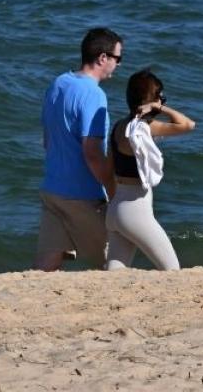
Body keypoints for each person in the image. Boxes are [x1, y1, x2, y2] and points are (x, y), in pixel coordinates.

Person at [34, 27, 123, 272]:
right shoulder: (94, 95)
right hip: (82, 196)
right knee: (114, 260)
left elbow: (47, 139)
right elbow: (92, 152)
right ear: (102, 58)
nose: (118, 65)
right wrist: (112, 191)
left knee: (46, 266)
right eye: (118, 58)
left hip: (52, 189)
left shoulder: (58, 84)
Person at [106, 68, 194, 271]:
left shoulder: (119, 126)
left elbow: (109, 167)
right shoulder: (145, 127)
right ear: (152, 100)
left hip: (116, 208)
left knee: (113, 277)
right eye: (160, 97)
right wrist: (160, 108)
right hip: (136, 210)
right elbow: (188, 125)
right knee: (172, 270)